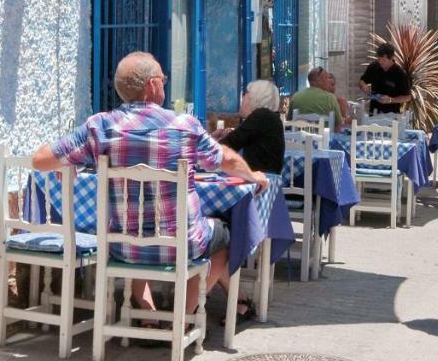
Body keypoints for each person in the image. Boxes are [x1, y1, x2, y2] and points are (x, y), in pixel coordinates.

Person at [32, 52, 268, 317]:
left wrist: (68, 162)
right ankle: (184, 316)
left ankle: (148, 315)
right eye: (164, 80)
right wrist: (253, 175)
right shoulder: (184, 125)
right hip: (183, 245)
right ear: (153, 85)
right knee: (226, 235)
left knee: (135, 231)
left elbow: (41, 159)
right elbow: (223, 159)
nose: (164, 85)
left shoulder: (100, 126)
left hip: (122, 247)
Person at [216, 79, 286, 174]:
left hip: (259, 180)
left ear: (254, 98)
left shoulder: (261, 116)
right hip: (267, 178)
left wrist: (208, 141)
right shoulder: (270, 117)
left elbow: (229, 144)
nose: (242, 98)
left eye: (245, 94)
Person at [359, 42, 411, 115]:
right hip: (373, 113)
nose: (380, 62)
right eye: (379, 59)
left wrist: (391, 100)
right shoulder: (373, 67)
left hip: (392, 115)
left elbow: (407, 97)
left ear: (392, 58)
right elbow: (362, 80)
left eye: (384, 60)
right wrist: (364, 86)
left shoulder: (400, 74)